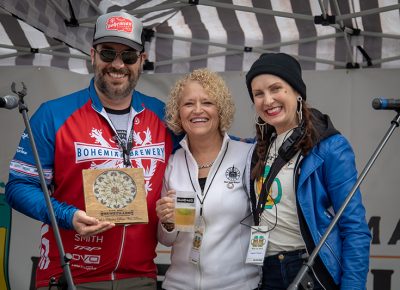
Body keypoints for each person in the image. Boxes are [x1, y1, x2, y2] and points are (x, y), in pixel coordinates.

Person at [5, 11, 175, 290]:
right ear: (93, 55)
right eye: (108, 53)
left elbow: (203, 155)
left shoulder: (163, 116)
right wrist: (66, 215)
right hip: (69, 276)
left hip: (139, 278)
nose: (118, 64)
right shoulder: (53, 115)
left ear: (142, 61)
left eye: (129, 56)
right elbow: (19, 187)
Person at [244, 53, 371, 290]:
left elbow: (354, 227)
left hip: (308, 270)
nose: (268, 100)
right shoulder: (259, 147)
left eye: (276, 89)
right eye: (258, 94)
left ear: (297, 91)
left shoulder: (330, 146)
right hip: (266, 271)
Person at [155, 68, 260, 290]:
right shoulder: (173, 162)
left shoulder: (247, 156)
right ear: (178, 112)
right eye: (188, 104)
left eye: (207, 102)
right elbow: (166, 239)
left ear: (221, 109)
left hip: (238, 285)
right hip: (177, 285)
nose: (198, 110)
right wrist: (167, 222)